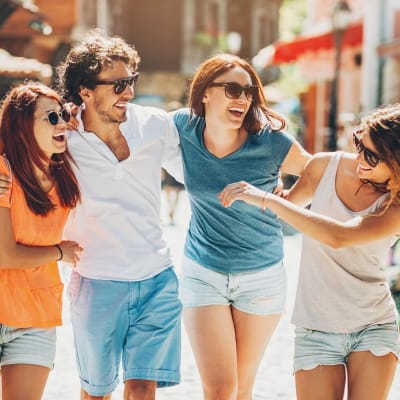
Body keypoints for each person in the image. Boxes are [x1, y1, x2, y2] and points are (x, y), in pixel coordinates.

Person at [219, 103, 400, 399]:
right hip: (316, 327)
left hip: (373, 326)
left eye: (372, 156)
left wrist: (267, 200)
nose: (360, 160)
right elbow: (285, 210)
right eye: (359, 144)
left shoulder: (396, 204)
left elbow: (339, 236)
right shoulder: (324, 166)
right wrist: (268, 187)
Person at [172, 53, 311, 399]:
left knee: (242, 387)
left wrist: (285, 201)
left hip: (261, 277)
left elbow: (318, 171)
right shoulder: (183, 127)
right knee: (220, 389)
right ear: (205, 92)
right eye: (232, 89)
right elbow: (132, 128)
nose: (242, 99)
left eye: (248, 92)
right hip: (203, 272)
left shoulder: (269, 141)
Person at [56, 29, 183, 399]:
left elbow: (198, 170)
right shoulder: (63, 136)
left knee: (143, 388)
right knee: (96, 392)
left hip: (157, 276)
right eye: (118, 84)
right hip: (96, 281)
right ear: (85, 90)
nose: (128, 91)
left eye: (132, 81)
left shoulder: (155, 124)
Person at [0, 82, 82, 400]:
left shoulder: (67, 179)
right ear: (22, 127)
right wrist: (59, 252)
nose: (61, 123)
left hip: (35, 316)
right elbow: (4, 254)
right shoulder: (3, 172)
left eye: (62, 114)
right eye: (50, 117)